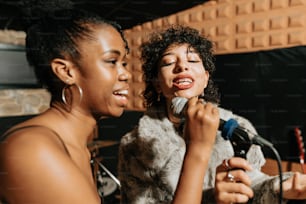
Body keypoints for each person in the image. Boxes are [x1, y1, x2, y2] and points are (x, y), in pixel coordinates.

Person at [118, 25, 306, 204]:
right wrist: (212, 199)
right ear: (157, 83)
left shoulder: (238, 127)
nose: (182, 66)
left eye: (192, 61)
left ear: (206, 78)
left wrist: (280, 187)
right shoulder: (135, 145)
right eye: (168, 62)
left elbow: (252, 185)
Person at [0, 3, 131, 203]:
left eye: (124, 63)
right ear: (66, 72)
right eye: (112, 61)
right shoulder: (33, 148)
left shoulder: (77, 147)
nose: (126, 74)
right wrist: (196, 154)